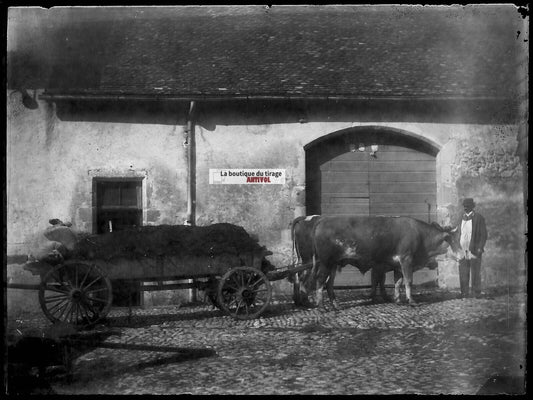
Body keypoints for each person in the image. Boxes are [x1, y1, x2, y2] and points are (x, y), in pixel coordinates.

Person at [456, 198, 488, 298]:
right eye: (464, 206)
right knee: (463, 271)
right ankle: (464, 292)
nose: (466, 208)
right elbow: (458, 232)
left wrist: (480, 247)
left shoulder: (479, 218)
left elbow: (484, 235)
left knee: (475, 271)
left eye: (468, 206)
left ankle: (476, 292)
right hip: (462, 248)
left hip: (474, 248)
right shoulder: (460, 217)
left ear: (472, 206)